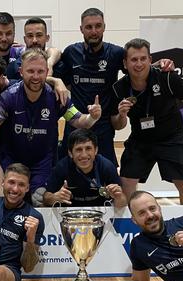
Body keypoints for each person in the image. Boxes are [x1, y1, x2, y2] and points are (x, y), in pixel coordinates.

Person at [0, 48, 101, 203]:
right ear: (21, 71)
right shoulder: (9, 97)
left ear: (47, 71)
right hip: (12, 161)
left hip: (42, 163)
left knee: (39, 199)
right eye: (30, 71)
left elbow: (79, 121)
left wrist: (92, 117)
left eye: (40, 71)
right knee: (11, 200)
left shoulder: (57, 97)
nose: (35, 76)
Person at [54, 8, 174, 167]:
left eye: (98, 26)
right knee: (68, 177)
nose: (94, 31)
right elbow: (52, 72)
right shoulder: (71, 52)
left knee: (107, 179)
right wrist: (56, 80)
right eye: (89, 27)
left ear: (104, 27)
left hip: (103, 128)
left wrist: (159, 64)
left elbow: (138, 70)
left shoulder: (116, 53)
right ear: (81, 29)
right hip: (76, 125)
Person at [111, 38, 183, 204]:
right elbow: (118, 125)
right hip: (140, 140)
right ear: (125, 63)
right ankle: (127, 226)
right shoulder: (119, 88)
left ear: (150, 60)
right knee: (126, 183)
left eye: (143, 58)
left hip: (170, 138)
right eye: (134, 59)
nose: (139, 63)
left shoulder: (167, 77)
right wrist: (122, 115)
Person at [43, 128, 126, 208]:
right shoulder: (62, 167)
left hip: (100, 214)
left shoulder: (106, 166)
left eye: (88, 148)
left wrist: (118, 196)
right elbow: (46, 198)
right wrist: (54, 197)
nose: (84, 155)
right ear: (70, 153)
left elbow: (122, 203)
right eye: (79, 149)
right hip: (69, 215)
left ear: (96, 150)